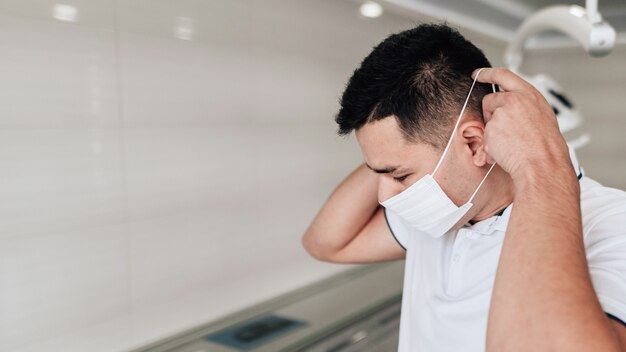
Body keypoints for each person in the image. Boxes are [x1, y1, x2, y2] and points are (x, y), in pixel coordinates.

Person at [301, 23, 626, 351]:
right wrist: (387, 155)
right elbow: (327, 243)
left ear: (474, 143)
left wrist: (537, 164)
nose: (384, 196)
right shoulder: (442, 212)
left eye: (399, 175)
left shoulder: (613, 224)